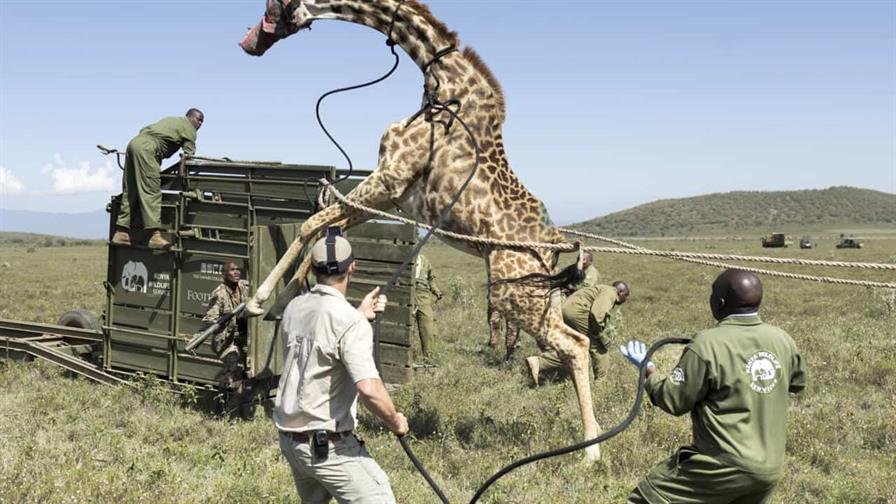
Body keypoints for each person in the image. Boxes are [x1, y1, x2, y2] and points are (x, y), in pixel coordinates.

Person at [620, 269, 807, 504]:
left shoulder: (706, 344)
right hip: (769, 468)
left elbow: (672, 400)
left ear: (719, 303)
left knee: (646, 498)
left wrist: (648, 370)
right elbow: (798, 383)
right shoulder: (783, 339)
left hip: (722, 465)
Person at [274, 231, 409, 503]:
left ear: (312, 269)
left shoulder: (293, 308)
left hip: (292, 442)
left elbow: (319, 342)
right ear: (353, 268)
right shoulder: (348, 322)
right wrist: (396, 421)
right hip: (329, 450)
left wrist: (359, 315)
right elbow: (369, 390)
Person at [112, 108, 204, 249]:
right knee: (151, 191)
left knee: (131, 190)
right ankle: (154, 236)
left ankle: (121, 233)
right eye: (199, 120)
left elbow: (144, 130)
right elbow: (188, 155)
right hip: (147, 150)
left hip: (134, 144)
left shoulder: (170, 120)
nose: (200, 124)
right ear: (190, 117)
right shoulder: (189, 127)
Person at [525, 281, 630, 386]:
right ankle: (601, 384)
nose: (626, 300)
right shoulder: (611, 292)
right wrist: (600, 335)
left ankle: (539, 362)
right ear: (620, 291)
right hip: (577, 313)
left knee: (575, 349)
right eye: (626, 295)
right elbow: (596, 314)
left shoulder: (601, 288)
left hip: (565, 311)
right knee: (599, 348)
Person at [200, 261, 249, 387]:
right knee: (231, 372)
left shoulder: (244, 286)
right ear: (224, 274)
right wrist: (225, 319)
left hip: (245, 337)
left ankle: (245, 400)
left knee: (249, 369)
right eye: (232, 270)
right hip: (228, 340)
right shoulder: (219, 294)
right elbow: (210, 319)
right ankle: (224, 401)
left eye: (238, 269)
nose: (236, 272)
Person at [414, 253, 443, 362]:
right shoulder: (404, 258)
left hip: (423, 297)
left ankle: (428, 359)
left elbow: (431, 279)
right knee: (406, 329)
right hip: (406, 296)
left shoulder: (424, 260)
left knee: (427, 329)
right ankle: (405, 357)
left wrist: (436, 291)